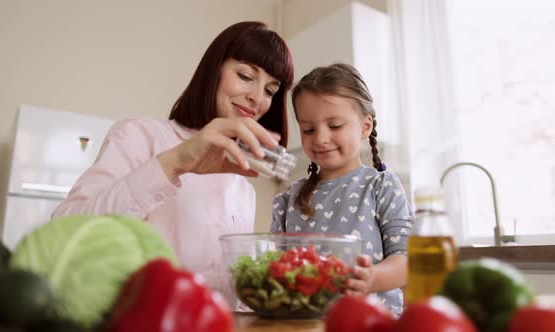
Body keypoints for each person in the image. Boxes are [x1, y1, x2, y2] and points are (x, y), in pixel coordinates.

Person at [53, 21, 294, 307]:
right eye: (245, 75)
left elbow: (226, 295)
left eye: (270, 90)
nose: (257, 98)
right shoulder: (141, 135)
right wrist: (175, 163)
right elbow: (65, 235)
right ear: (213, 70)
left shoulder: (244, 190)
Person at [270, 63, 412, 316]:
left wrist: (372, 279)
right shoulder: (289, 199)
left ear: (365, 126)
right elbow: (274, 268)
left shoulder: (381, 186)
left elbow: (405, 260)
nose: (320, 138)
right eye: (308, 129)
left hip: (371, 323)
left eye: (335, 126)